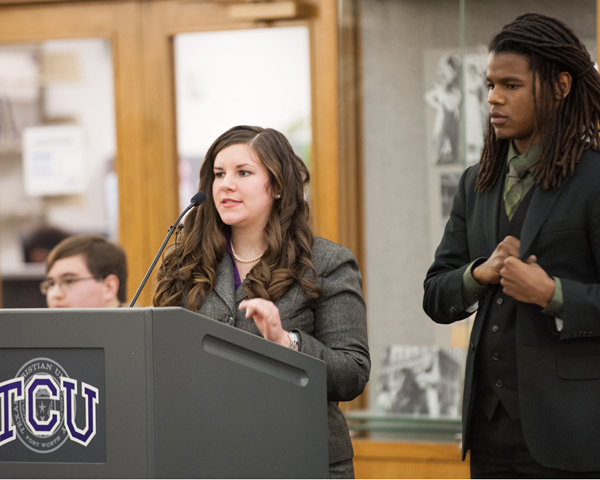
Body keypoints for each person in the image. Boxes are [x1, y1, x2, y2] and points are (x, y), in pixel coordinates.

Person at [423, 13, 600, 478]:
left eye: (511, 85)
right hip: (487, 433)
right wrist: (478, 275)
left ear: (560, 86)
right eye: (489, 85)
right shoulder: (476, 183)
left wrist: (551, 294)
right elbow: (436, 295)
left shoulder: (595, 179)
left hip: (571, 438)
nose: (494, 98)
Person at [153, 125, 370, 478]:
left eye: (244, 173)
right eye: (219, 174)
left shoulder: (327, 262)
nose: (226, 184)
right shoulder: (186, 261)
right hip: (206, 456)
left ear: (278, 186)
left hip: (298, 458)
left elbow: (352, 374)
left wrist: (287, 342)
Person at [42, 234, 128, 308]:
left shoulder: (139, 326)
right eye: (51, 283)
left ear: (109, 287)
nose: (55, 294)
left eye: (69, 281)